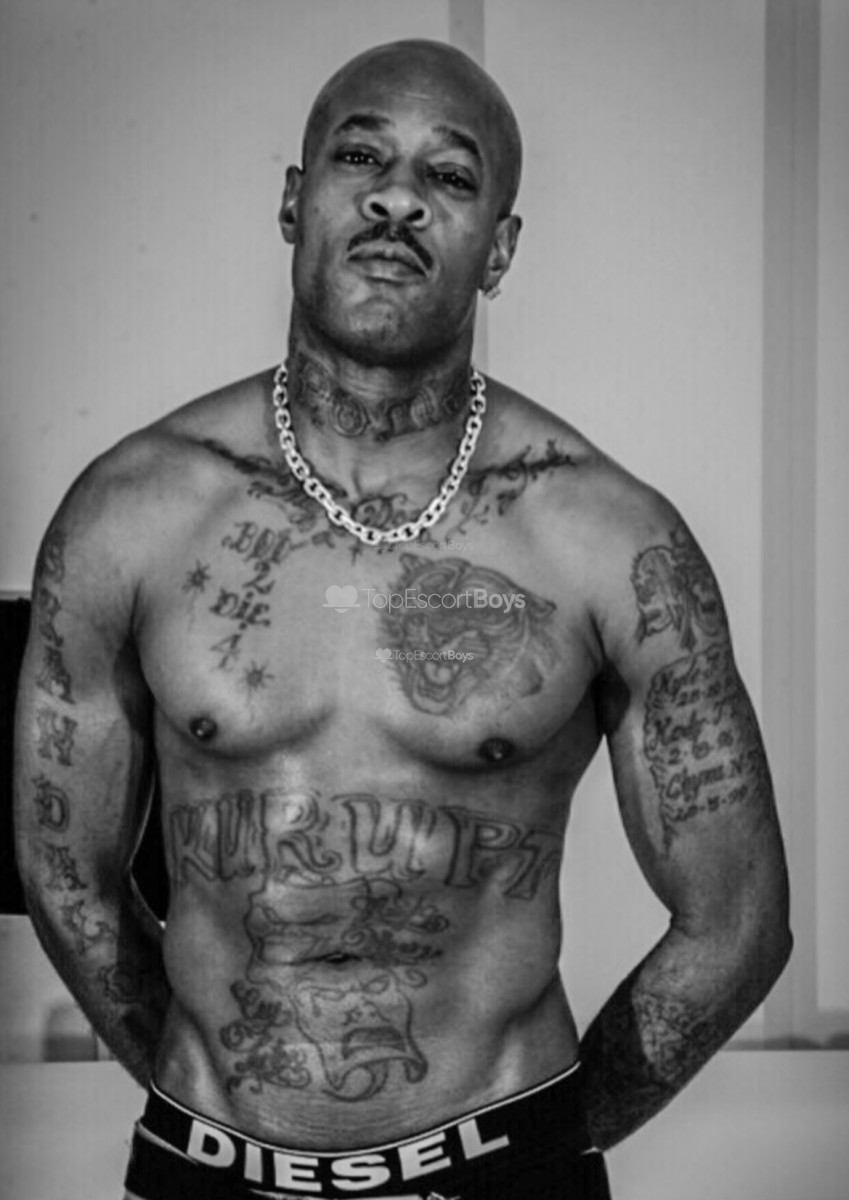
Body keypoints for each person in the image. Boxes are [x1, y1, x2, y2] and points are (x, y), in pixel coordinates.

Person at [13, 37, 792, 1200]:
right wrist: (200, 1103)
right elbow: (60, 866)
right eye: (360, 157)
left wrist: (546, 1143)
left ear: (501, 248)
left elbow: (739, 921)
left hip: (502, 1163)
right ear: (294, 200)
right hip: (206, 1164)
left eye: (450, 175)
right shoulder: (131, 517)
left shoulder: (608, 542)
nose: (396, 198)